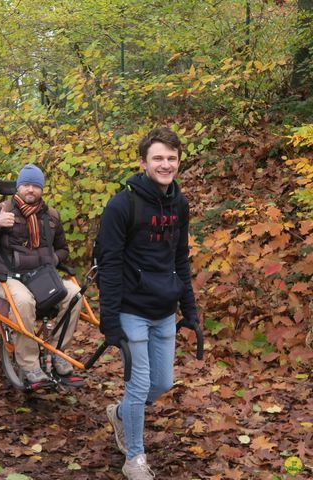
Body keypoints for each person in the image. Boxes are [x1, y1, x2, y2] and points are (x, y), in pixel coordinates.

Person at [94, 127, 199, 480]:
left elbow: (180, 258)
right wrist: (110, 322)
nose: (165, 164)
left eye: (171, 158)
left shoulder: (179, 204)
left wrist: (191, 311)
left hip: (164, 308)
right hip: (130, 308)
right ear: (143, 162)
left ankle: (122, 414)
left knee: (163, 384)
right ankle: (134, 457)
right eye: (158, 158)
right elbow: (108, 265)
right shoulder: (122, 205)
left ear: (179, 162)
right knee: (139, 384)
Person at [0, 164, 83, 385]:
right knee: (23, 301)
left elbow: (63, 249)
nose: (30, 190)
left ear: (41, 189)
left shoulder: (51, 216)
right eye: (25, 185)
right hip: (8, 278)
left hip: (43, 275)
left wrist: (53, 259)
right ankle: (30, 364)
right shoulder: (1, 211)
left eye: (35, 185)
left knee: (75, 295)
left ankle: (57, 353)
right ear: (18, 187)